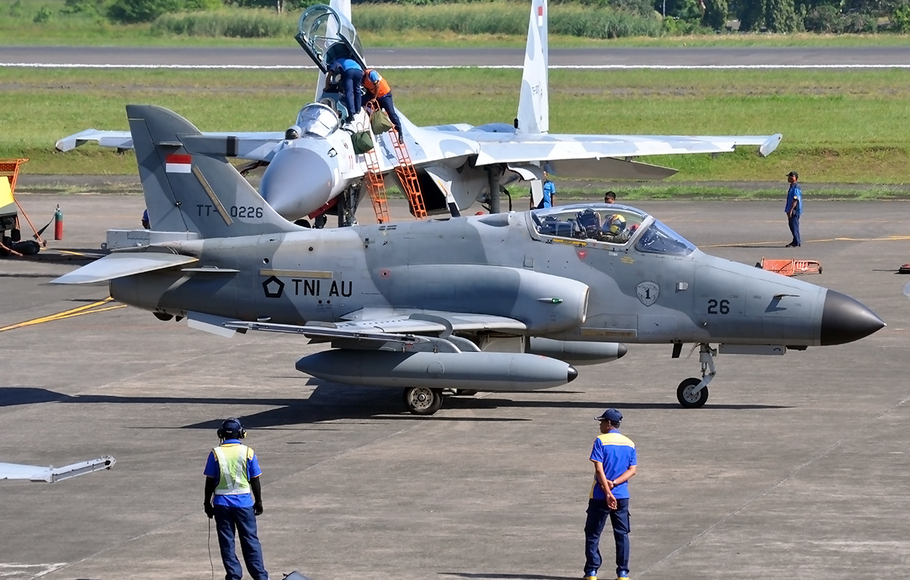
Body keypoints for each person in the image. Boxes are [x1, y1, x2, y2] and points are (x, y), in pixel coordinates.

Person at [204, 418, 269, 580]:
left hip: (221, 504)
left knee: (227, 542)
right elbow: (255, 479)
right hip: (244, 504)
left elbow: (210, 481)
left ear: (221, 434)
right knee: (250, 541)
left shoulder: (216, 453)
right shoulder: (248, 452)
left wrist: (207, 503)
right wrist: (259, 501)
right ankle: (260, 576)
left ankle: (234, 576)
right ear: (241, 433)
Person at [584, 408, 637, 580]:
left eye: (601, 422)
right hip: (621, 496)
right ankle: (622, 573)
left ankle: (592, 571)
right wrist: (615, 484)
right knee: (622, 534)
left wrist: (607, 491)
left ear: (608, 423)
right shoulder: (629, 443)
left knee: (593, 533)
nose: (600, 425)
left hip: (600, 495)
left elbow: (599, 469)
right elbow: (632, 470)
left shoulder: (600, 441)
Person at [362, 68, 403, 136]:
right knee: (363, 101)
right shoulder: (362, 80)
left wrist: (374, 98)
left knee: (391, 113)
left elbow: (377, 86)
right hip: (375, 95)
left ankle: (400, 132)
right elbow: (368, 89)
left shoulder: (371, 74)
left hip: (384, 95)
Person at [330, 57, 364, 124]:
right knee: (357, 91)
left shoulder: (336, 61)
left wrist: (327, 86)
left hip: (349, 72)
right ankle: (358, 109)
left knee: (349, 93)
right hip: (359, 71)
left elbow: (330, 74)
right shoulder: (350, 61)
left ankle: (351, 114)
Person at [785, 171, 802, 247]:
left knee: (794, 225)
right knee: (792, 225)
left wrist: (791, 210)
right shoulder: (792, 186)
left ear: (795, 178)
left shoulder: (796, 187)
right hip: (791, 209)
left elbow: (795, 199)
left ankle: (797, 242)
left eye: (791, 177)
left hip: (795, 210)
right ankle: (795, 240)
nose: (789, 178)